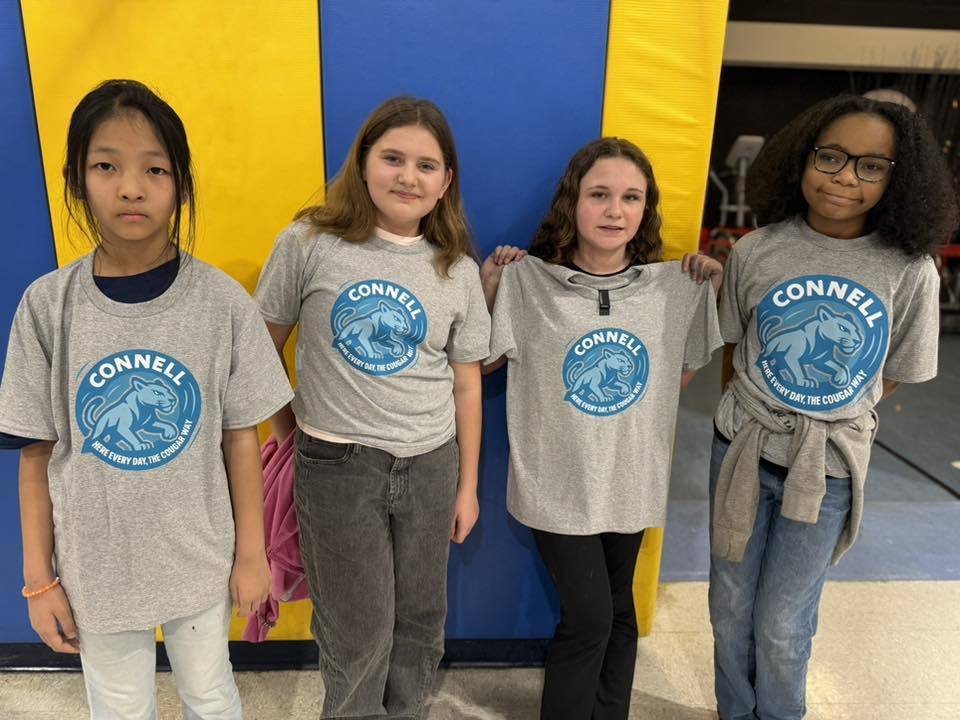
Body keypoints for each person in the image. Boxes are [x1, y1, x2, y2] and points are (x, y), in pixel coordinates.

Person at [0, 79, 292, 719]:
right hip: (97, 565)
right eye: (107, 166)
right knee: (120, 708)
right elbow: (36, 454)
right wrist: (38, 579)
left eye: (154, 169)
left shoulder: (220, 303)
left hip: (200, 556)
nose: (131, 186)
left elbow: (243, 436)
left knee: (211, 696)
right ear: (78, 180)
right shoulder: (47, 307)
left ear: (179, 184)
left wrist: (252, 553)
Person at [709, 94, 959, 720]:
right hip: (741, 448)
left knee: (783, 622)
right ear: (803, 158)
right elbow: (735, 349)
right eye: (832, 157)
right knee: (730, 607)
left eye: (872, 166)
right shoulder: (756, 250)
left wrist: (831, 410)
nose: (846, 176)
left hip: (828, 468)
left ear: (897, 180)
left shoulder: (910, 271)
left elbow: (893, 374)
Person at [255, 96, 490, 719]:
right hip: (338, 467)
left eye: (426, 165)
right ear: (363, 164)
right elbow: (259, 353)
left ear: (445, 184)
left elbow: (467, 385)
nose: (408, 176)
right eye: (392, 158)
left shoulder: (457, 270)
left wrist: (467, 487)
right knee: (358, 632)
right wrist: (295, 431)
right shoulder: (308, 243)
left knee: (419, 625)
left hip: (432, 466)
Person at [481, 137, 723, 720]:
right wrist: (492, 284)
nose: (615, 210)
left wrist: (708, 286)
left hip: (630, 481)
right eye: (600, 195)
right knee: (589, 617)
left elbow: (672, 381)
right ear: (573, 202)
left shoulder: (672, 288)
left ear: (645, 209)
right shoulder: (529, 281)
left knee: (619, 612)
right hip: (556, 485)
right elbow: (481, 362)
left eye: (631, 197)